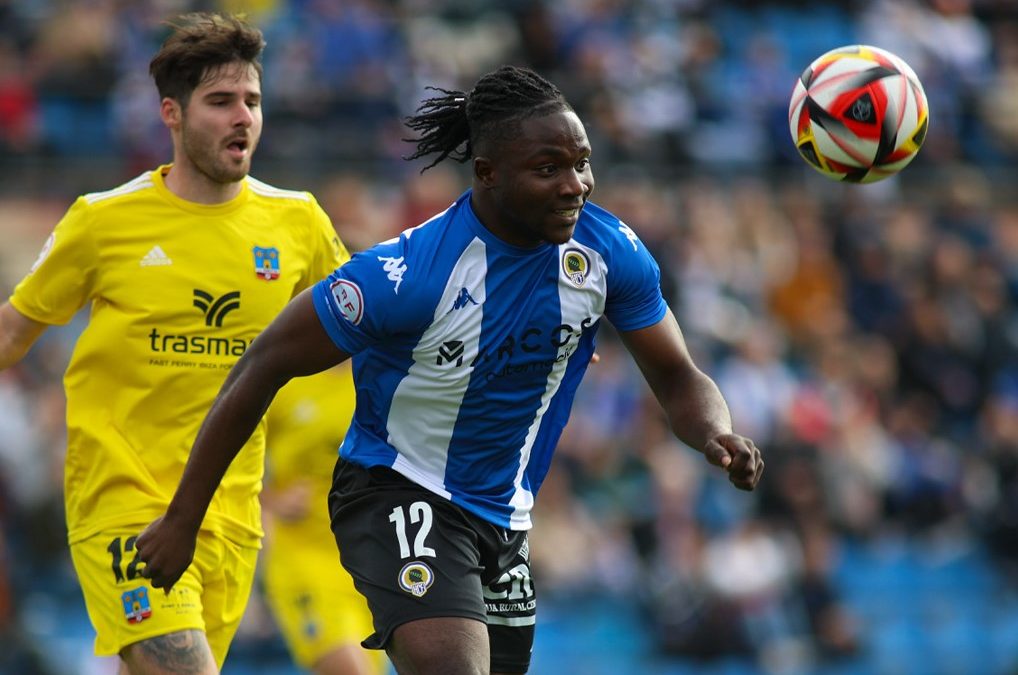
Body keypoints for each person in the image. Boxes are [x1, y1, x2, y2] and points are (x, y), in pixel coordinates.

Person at [136, 64, 764, 675]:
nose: (576, 184)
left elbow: (678, 375)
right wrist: (183, 520)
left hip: (506, 518)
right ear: (487, 174)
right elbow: (262, 364)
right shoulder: (407, 276)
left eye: (581, 162)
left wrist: (716, 432)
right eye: (549, 169)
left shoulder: (609, 255)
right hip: (396, 489)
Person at [0, 12, 349, 675]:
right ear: (172, 114)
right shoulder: (104, 221)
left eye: (252, 100)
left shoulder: (299, 222)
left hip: (233, 520)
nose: (242, 117)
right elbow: (13, 331)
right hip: (124, 506)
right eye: (220, 102)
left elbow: (376, 328)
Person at [261, 364, 384, 675]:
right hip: (306, 561)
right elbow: (228, 451)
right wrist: (271, 498)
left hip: (372, 565)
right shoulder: (288, 382)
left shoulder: (381, 375)